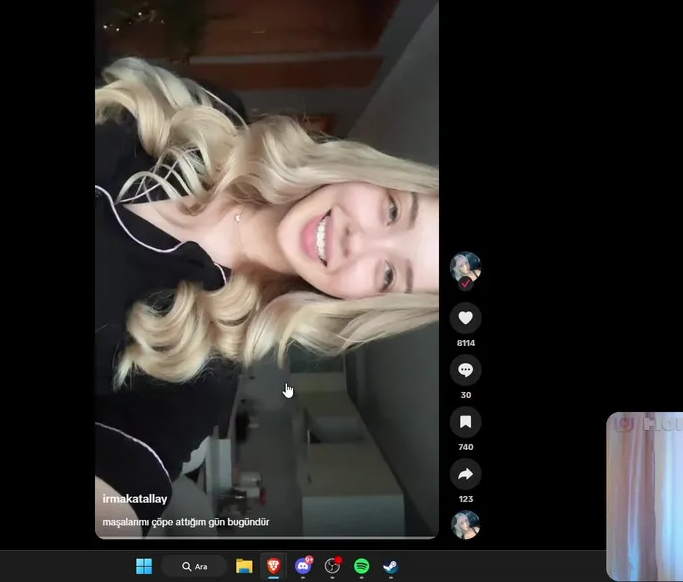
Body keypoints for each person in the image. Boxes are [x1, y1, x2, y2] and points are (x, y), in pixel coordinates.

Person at [94, 58, 440, 536]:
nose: (356, 241)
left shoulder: (200, 370)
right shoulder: (209, 112)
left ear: (364, 304)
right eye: (393, 211)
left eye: (387, 274)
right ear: (373, 175)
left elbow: (119, 498)